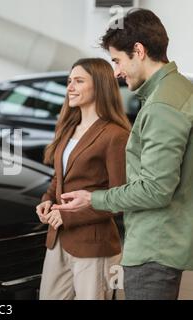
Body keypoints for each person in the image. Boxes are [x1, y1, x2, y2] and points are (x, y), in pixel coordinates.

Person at [52, 9, 193, 300]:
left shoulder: (160, 106)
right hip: (167, 242)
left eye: (117, 60)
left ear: (138, 51)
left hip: (154, 248)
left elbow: (155, 190)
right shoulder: (179, 91)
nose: (116, 72)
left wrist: (93, 198)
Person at [36, 58, 130, 300]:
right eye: (69, 81)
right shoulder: (67, 127)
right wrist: (47, 199)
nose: (70, 87)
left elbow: (119, 198)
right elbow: (60, 177)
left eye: (78, 81)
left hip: (94, 246)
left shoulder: (115, 135)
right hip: (57, 240)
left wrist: (68, 215)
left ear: (99, 86)